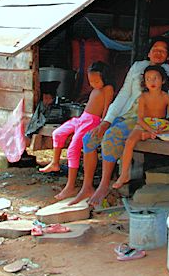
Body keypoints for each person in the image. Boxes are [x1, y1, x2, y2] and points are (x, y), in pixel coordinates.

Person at [68, 37, 169, 207]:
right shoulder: (138, 67)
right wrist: (107, 120)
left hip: (146, 119)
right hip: (126, 113)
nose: (158, 53)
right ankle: (87, 187)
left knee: (112, 135)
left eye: (163, 51)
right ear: (148, 52)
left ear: (168, 56)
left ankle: (104, 185)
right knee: (89, 138)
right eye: (155, 49)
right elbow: (124, 94)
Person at [39, 61, 114, 201]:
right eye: (91, 81)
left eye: (96, 81)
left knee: (73, 149)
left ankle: (70, 186)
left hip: (92, 122)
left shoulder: (107, 89)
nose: (93, 84)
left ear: (105, 77)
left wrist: (103, 124)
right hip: (82, 118)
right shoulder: (96, 89)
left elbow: (107, 108)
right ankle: (55, 163)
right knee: (57, 133)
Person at [112, 65, 169, 190]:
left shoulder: (166, 97)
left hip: (160, 125)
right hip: (145, 124)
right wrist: (150, 130)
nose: (152, 81)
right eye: (148, 79)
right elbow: (140, 119)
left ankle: (148, 136)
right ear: (144, 82)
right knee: (130, 141)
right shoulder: (143, 97)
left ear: (163, 80)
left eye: (155, 78)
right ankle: (124, 174)